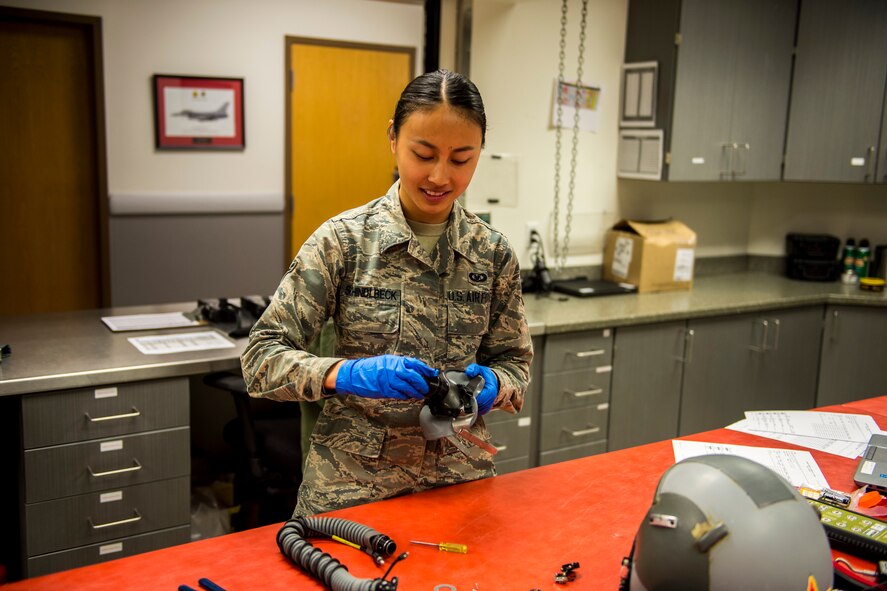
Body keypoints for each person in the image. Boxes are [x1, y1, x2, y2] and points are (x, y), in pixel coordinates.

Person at [241, 68, 533, 516]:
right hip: (351, 488)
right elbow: (261, 360)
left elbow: (515, 363)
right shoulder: (343, 242)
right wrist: (347, 374)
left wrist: (496, 384)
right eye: (424, 153)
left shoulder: (491, 255)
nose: (439, 176)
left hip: (459, 483)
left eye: (461, 159)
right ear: (394, 139)